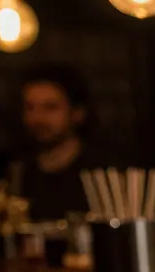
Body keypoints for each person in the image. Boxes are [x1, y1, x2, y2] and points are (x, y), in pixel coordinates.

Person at [7, 64, 110, 222]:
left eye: (50, 107)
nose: (37, 118)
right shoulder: (15, 171)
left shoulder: (103, 173)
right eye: (30, 108)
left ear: (77, 113)